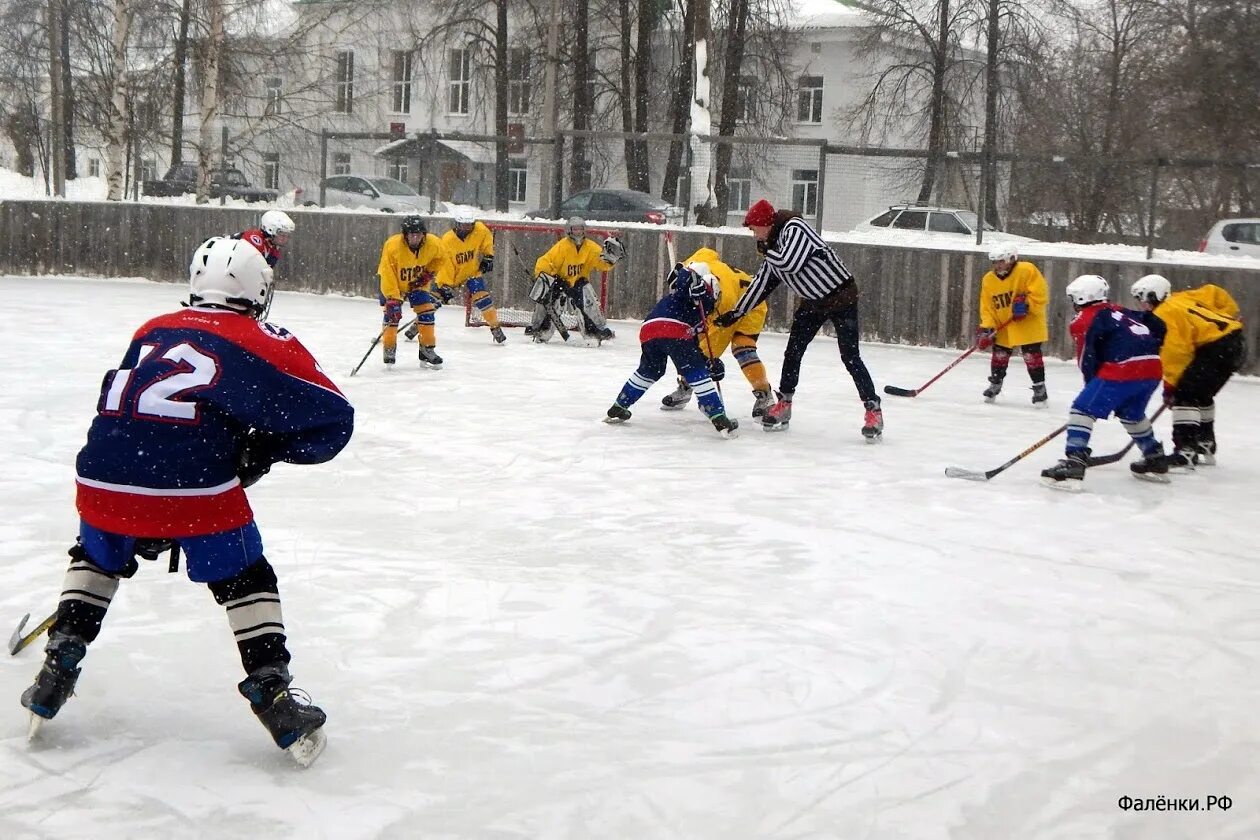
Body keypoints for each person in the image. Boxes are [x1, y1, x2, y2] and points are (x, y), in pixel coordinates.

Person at [20, 237, 354, 766]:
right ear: (258, 289)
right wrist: (264, 450)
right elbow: (333, 417)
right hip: (191, 485)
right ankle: (272, 694)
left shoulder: (150, 329)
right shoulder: (262, 336)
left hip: (102, 477)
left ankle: (58, 662)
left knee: (98, 555)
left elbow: (142, 411)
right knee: (246, 577)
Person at [714, 198, 883, 440]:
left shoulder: (796, 229)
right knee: (793, 351)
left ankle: (873, 410)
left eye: (754, 229)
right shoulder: (773, 247)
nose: (754, 235)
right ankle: (785, 404)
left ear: (765, 224)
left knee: (850, 356)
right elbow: (761, 283)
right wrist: (737, 312)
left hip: (841, 297)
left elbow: (790, 264)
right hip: (813, 302)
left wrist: (768, 252)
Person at [1040, 274, 1168, 489]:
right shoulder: (1119, 310)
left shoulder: (1084, 319)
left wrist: (1092, 387)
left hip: (1123, 369)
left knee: (1082, 410)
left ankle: (1074, 462)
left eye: (1073, 298)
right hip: (1152, 368)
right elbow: (1156, 323)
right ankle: (1154, 457)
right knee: (1131, 414)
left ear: (1082, 298)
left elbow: (1086, 357)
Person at [605, 262, 738, 437]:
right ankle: (717, 414)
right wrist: (690, 278)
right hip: (673, 329)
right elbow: (683, 280)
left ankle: (619, 406)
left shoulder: (691, 307)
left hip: (649, 330)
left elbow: (690, 349)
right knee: (695, 371)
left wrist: (708, 363)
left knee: (650, 370)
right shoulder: (698, 295)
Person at [1130, 274, 1245, 467]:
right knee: (1202, 394)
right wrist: (1227, 314)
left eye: (1143, 299)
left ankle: (1186, 452)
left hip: (1217, 348)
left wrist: (1171, 387)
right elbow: (1215, 292)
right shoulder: (1181, 298)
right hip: (1235, 341)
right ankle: (1204, 443)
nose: (1142, 305)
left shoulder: (1164, 314)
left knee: (1185, 395)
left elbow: (1175, 353)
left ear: (1153, 295)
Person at [659, 247, 774, 418]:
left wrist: (707, 362)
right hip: (737, 294)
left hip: (750, 305)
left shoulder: (719, 300)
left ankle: (765, 396)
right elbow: (707, 251)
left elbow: (711, 345)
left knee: (742, 349)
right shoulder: (696, 264)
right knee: (695, 344)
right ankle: (687, 385)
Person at [975, 245, 1050, 406]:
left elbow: (1041, 292)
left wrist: (1027, 305)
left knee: (1031, 356)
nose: (998, 265)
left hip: (1027, 323)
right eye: (995, 262)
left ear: (1011, 259)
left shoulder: (1027, 270)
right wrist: (987, 327)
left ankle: (1039, 388)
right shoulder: (989, 279)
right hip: (1003, 324)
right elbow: (987, 306)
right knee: (999, 356)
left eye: (1001, 261)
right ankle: (995, 383)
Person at [528, 216, 622, 342]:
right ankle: (539, 328)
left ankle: (595, 330)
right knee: (548, 301)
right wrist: (544, 277)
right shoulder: (562, 246)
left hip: (578, 282)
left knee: (588, 298)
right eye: (575, 229)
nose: (578, 232)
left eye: (580, 229)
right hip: (560, 281)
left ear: (584, 230)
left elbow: (601, 263)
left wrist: (611, 259)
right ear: (569, 231)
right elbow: (546, 262)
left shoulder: (590, 247)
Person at [378, 215, 451, 368]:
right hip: (394, 285)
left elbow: (442, 258)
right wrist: (392, 298)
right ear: (405, 235)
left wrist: (428, 274)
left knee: (427, 313)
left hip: (417, 285)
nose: (416, 237)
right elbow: (386, 273)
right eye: (412, 234)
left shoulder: (433, 244)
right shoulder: (392, 246)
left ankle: (427, 349)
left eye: (419, 234)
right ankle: (389, 349)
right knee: (392, 316)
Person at [432, 209, 506, 344]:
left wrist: (489, 255)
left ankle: (495, 328)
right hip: (453, 275)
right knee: (432, 302)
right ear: (457, 224)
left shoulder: (479, 229)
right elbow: (445, 265)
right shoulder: (448, 240)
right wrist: (445, 284)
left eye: (469, 225)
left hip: (472, 272)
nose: (467, 228)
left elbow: (487, 237)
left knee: (483, 299)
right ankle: (417, 327)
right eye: (463, 225)